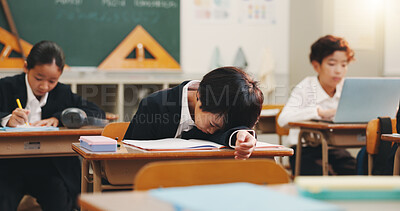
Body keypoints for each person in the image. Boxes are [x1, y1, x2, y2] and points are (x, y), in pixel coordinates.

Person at [0, 41, 105, 210]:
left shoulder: (62, 93)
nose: (44, 86)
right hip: (8, 166)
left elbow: (97, 112)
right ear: (26, 67)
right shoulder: (6, 87)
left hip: (49, 167)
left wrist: (61, 117)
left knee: (60, 201)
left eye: (52, 80)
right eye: (38, 78)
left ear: (60, 75)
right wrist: (6, 119)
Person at [124, 66, 264, 160]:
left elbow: (224, 134)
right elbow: (133, 155)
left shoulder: (222, 111)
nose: (211, 132)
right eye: (212, 124)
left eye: (219, 129)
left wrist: (242, 135)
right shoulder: (155, 106)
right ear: (200, 98)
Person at [278, 35, 356, 175]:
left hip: (334, 149)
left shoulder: (347, 88)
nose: (338, 70)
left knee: (355, 172)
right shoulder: (305, 87)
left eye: (344, 65)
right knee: (321, 178)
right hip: (304, 150)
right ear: (316, 66)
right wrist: (319, 112)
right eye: (332, 64)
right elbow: (283, 120)